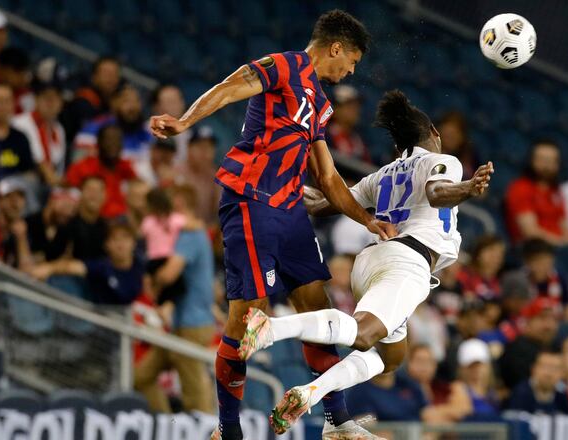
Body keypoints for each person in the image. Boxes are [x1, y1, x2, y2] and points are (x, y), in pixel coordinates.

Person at [149, 11, 392, 439]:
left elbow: (330, 178)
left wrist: (368, 220)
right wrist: (185, 122)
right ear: (336, 47)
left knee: (319, 311)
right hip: (251, 201)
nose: (351, 70)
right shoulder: (284, 65)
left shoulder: (320, 101)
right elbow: (229, 87)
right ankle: (227, 429)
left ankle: (338, 421)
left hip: (291, 210)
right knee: (249, 321)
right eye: (351, 60)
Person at [235, 89, 493, 434]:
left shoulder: (382, 174)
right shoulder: (442, 161)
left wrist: (281, 185)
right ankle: (270, 329)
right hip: (408, 261)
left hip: (372, 261)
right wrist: (467, 188)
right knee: (362, 334)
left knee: (391, 359)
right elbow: (436, 193)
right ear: (434, 134)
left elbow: (323, 203)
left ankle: (311, 394)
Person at [134, 184, 216, 414]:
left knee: (193, 392)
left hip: (193, 324)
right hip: (181, 324)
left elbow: (169, 274)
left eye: (173, 201)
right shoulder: (183, 233)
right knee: (141, 377)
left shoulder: (189, 236)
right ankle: (168, 427)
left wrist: (152, 280)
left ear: (181, 203)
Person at [29, 222, 144, 305]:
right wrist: (49, 268)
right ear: (107, 245)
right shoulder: (101, 267)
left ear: (133, 243)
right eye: (115, 239)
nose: (120, 244)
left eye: (125, 238)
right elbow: (73, 267)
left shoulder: (140, 267)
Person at [504, 139, 568, 245]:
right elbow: (530, 232)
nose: (547, 166)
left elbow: (564, 225)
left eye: (551, 161)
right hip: (535, 250)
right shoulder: (520, 188)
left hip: (559, 248)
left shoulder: (555, 191)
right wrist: (562, 243)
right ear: (531, 161)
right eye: (542, 160)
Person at [73, 84, 152, 170]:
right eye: (127, 101)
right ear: (113, 103)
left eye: (137, 101)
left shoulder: (148, 133)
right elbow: (79, 167)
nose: (133, 107)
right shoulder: (92, 130)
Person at [65, 123, 136, 218]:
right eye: (108, 140)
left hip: (122, 223)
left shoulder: (126, 167)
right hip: (93, 221)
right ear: (98, 142)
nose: (113, 144)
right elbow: (66, 190)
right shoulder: (83, 167)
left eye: (117, 140)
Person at [499, 297, 561, 390]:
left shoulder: (555, 348)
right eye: (542, 318)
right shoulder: (517, 350)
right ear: (528, 321)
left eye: (554, 319)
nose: (549, 325)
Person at [12, 81, 66, 185]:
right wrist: (45, 171)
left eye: (55, 99)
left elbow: (59, 167)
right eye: (46, 98)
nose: (50, 103)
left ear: (61, 103)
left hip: (49, 184)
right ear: (36, 100)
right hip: (23, 177)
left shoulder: (59, 129)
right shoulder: (19, 123)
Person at [405, 344, 472, 423]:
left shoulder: (444, 388)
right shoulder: (402, 391)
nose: (424, 366)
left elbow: (465, 409)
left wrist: (436, 412)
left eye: (428, 361)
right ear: (409, 364)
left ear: (435, 365)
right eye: (419, 361)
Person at [141, 187, 186, 304]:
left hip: (153, 261)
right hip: (168, 260)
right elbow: (191, 225)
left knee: (158, 291)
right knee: (174, 291)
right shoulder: (176, 219)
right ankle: (162, 307)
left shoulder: (148, 221)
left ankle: (154, 303)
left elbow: (142, 236)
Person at [62, 56, 121, 142]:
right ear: (94, 77)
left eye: (114, 74)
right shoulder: (83, 101)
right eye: (106, 73)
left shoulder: (113, 104)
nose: (111, 78)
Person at [174, 125, 221, 226]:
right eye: (200, 147)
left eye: (209, 147)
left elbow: (219, 212)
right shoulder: (176, 172)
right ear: (189, 148)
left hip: (206, 232)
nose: (205, 152)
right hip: (179, 230)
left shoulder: (216, 177)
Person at [504, 350, 568, 415]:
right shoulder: (520, 393)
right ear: (533, 369)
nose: (549, 373)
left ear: (563, 373)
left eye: (555, 368)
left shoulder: (562, 395)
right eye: (545, 367)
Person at [62, 176, 108, 261]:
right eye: (90, 190)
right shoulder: (67, 225)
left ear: (105, 196)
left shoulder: (107, 228)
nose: (94, 195)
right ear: (81, 193)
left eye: (99, 191)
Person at [457, 338, 501, 421]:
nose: (476, 369)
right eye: (471, 366)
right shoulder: (459, 390)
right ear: (462, 368)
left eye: (480, 365)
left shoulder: (492, 394)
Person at [326, 84, 370, 163]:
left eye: (356, 107)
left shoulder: (358, 140)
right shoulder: (324, 135)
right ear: (336, 109)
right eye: (349, 107)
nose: (355, 111)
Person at [456, 235, 505, 300]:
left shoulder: (498, 284)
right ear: (478, 253)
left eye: (500, 253)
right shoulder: (464, 275)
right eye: (491, 250)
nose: (495, 256)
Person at [150, 84, 189, 163]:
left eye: (177, 100)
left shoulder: (190, 137)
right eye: (169, 101)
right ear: (157, 106)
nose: (175, 105)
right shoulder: (147, 130)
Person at [436, 111, 480, 179]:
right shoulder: (433, 158)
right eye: (446, 136)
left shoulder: (470, 157)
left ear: (462, 136)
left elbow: (483, 184)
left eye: (452, 136)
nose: (448, 141)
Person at [0, 47, 34, 115]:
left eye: (24, 72)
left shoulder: (26, 96)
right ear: (3, 71)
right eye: (18, 72)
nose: (23, 78)